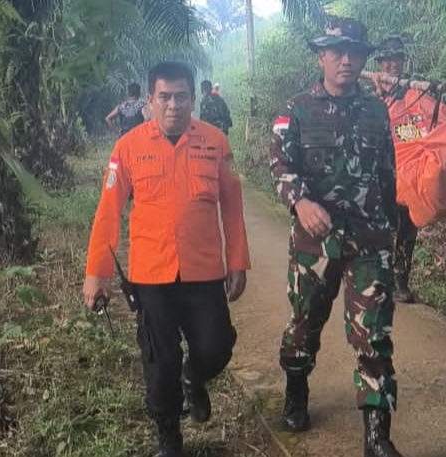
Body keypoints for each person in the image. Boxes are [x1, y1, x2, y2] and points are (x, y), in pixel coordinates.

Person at [83, 61, 251, 457]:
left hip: (203, 270)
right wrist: (96, 274)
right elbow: (108, 212)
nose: (174, 105)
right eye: (165, 97)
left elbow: (232, 206)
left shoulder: (215, 143)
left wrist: (237, 261)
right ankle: (169, 439)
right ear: (150, 100)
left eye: (181, 97)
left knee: (216, 347)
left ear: (193, 99)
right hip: (151, 274)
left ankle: (194, 376)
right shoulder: (128, 147)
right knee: (160, 361)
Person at [270, 16, 408, 457]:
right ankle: (296, 388)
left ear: (363, 59)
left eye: (354, 52)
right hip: (316, 242)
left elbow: (387, 175)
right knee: (304, 325)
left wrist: (393, 233)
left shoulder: (376, 112)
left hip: (369, 241)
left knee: (374, 334)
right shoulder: (296, 109)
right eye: (337, 52)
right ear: (322, 57)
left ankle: (377, 436)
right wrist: (300, 202)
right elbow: (279, 165)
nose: (346, 60)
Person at [370, 36, 422, 304]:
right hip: (381, 174)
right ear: (380, 63)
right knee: (382, 227)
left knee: (408, 228)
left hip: (409, 171)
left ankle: (401, 281)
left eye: (397, 59)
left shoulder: (414, 91)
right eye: (387, 60)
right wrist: (381, 94)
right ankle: (379, 277)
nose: (392, 65)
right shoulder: (370, 93)